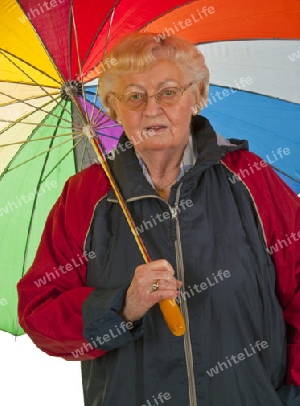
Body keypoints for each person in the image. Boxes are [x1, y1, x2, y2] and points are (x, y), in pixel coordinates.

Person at [17, 33, 300, 406]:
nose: (151, 109)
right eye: (134, 96)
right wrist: (121, 306)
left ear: (197, 95)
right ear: (114, 108)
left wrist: (289, 393)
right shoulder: (84, 196)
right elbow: (41, 314)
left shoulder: (249, 177)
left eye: (168, 92)